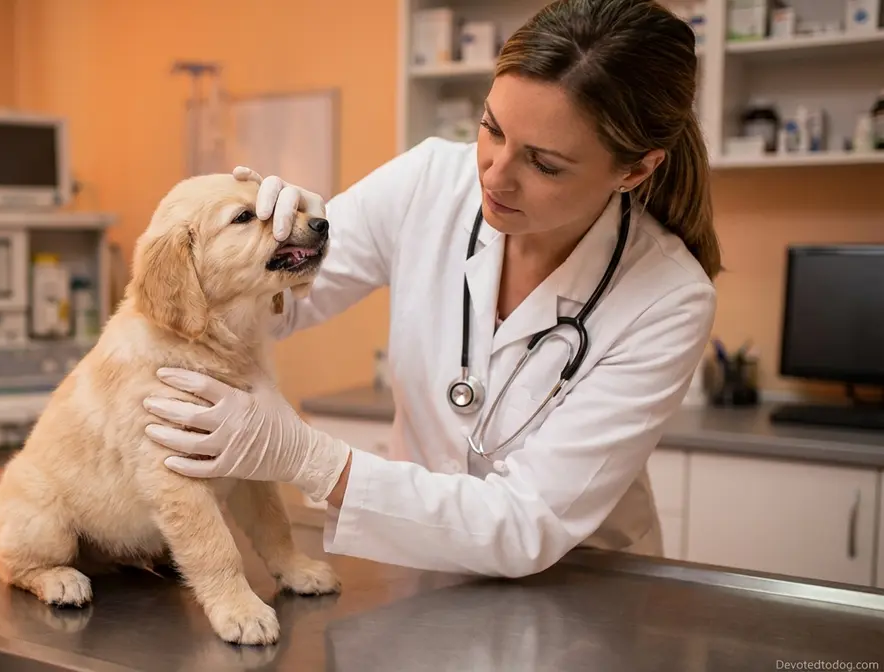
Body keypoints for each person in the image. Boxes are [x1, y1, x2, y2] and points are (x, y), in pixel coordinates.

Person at [141, 0, 721, 577]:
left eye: (542, 163)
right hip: (426, 573)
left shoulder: (668, 298)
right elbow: (281, 309)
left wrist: (311, 459)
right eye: (491, 127)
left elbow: (527, 523)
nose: (493, 174)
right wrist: (264, 246)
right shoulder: (430, 181)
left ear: (636, 170)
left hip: (585, 585)